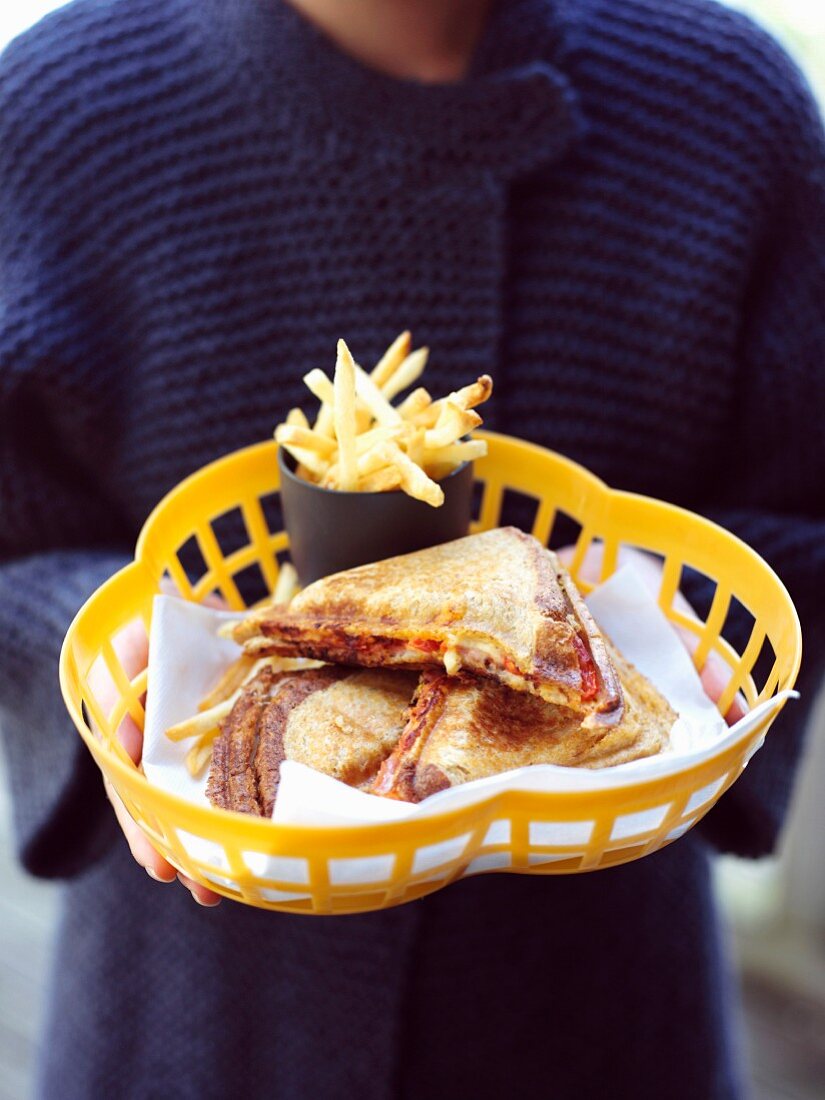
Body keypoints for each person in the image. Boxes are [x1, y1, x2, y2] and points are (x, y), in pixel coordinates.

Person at [1, 0, 823, 1096]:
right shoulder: (63, 106)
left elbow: (801, 507)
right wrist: (103, 651)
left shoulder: (729, 102)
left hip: (597, 992)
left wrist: (696, 636)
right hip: (198, 1004)